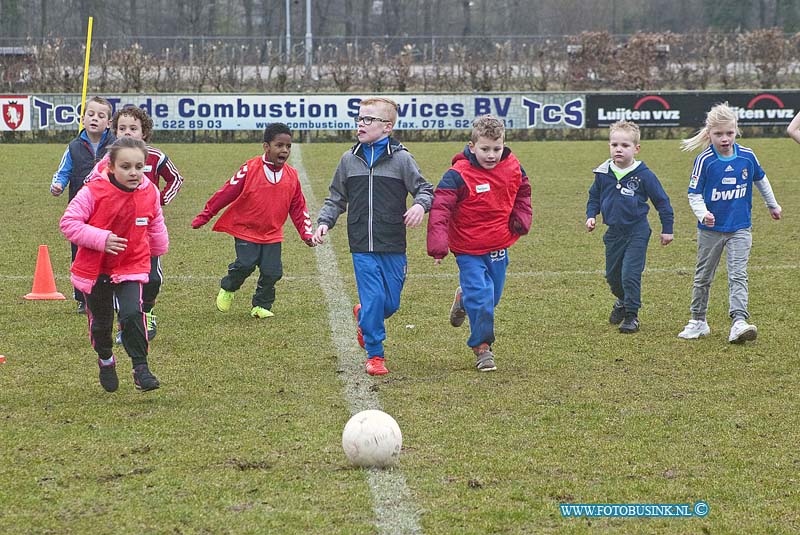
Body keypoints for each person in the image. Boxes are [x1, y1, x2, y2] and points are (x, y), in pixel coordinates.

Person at [312, 97, 434, 376]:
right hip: (361, 246)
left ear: (387, 127)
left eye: (368, 119)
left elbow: (425, 189)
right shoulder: (348, 160)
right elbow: (336, 198)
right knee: (375, 298)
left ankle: (363, 316)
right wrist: (323, 223)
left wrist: (419, 205)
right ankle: (375, 354)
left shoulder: (402, 159)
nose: (361, 124)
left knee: (390, 303)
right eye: (359, 118)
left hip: (392, 243)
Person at [59, 137, 168, 393]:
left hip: (131, 265)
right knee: (101, 324)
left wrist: (159, 248)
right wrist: (101, 239)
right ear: (111, 167)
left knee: (132, 314)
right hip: (96, 269)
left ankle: (141, 368)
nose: (133, 173)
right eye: (126, 166)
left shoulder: (149, 191)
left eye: (139, 167)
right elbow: (69, 223)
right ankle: (106, 359)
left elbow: (155, 221)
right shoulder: (93, 191)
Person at [426, 115, 531, 372]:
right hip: (468, 249)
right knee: (482, 298)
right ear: (472, 146)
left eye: (497, 148)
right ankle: (482, 348)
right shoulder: (457, 176)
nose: (492, 155)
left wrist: (521, 216)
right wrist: (439, 245)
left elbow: (523, 191)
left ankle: (463, 300)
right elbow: (440, 209)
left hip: (498, 244)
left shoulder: (513, 167)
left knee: (491, 298)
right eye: (485, 149)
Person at [677, 102, 782, 343]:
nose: (725, 138)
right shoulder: (705, 160)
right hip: (711, 231)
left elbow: (761, 180)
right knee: (703, 276)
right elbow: (693, 193)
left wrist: (772, 205)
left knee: (738, 274)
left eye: (730, 133)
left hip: (740, 228)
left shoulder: (747, 156)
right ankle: (698, 321)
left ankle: (739, 321)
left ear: (736, 131)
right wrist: (703, 213)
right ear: (709, 133)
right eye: (719, 134)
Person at [192, 123, 314, 318]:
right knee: (246, 264)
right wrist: (205, 215)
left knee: (273, 272)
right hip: (246, 229)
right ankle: (228, 287)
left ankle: (261, 306)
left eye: (288, 146)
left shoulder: (292, 175)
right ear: (266, 146)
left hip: (272, 233)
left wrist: (306, 233)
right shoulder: (250, 168)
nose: (284, 150)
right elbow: (226, 193)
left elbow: (298, 207)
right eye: (279, 145)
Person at [90, 106, 185, 342]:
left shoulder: (156, 156)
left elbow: (176, 179)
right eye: (122, 128)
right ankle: (125, 322)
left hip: (146, 229)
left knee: (152, 278)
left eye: (133, 128)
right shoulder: (108, 160)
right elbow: (90, 184)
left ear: (144, 133)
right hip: (117, 232)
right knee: (118, 277)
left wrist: (159, 202)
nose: (127, 133)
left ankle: (148, 310)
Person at [585, 120, 674, 334]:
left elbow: (662, 202)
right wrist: (591, 215)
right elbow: (594, 196)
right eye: (614, 144)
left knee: (629, 275)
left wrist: (667, 228)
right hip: (614, 233)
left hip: (637, 231)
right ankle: (622, 300)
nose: (618, 149)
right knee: (612, 277)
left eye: (625, 145)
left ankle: (631, 315)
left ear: (636, 148)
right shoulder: (603, 172)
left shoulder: (644, 175)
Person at [50, 96, 115, 313]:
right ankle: (82, 298)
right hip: (81, 210)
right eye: (91, 114)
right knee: (80, 252)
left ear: (109, 122)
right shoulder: (74, 147)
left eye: (101, 115)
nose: (95, 118)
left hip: (109, 209)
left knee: (108, 250)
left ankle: (109, 295)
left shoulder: (116, 146)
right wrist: (58, 185)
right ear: (83, 118)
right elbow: (63, 171)